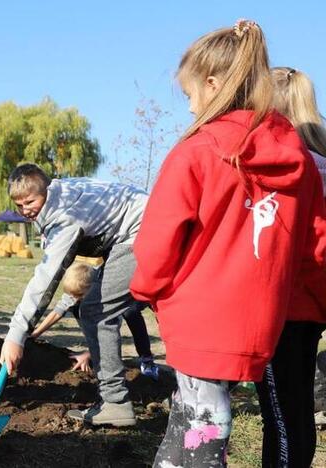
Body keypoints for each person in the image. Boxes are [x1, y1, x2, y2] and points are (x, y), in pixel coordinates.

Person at [130, 20, 326, 467]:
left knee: (201, 436)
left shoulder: (195, 152)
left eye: (190, 94)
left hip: (199, 322)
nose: (189, 107)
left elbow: (158, 242)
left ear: (214, 84)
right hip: (259, 325)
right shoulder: (302, 163)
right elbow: (317, 247)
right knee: (190, 428)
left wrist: (146, 291)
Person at [0, 163, 148, 427]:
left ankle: (115, 403)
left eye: (30, 202)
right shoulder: (60, 190)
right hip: (138, 227)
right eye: (19, 205)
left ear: (44, 190)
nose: (25, 210)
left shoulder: (66, 216)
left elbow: (45, 280)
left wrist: (16, 334)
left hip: (144, 231)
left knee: (96, 311)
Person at [251, 66, 326, 468]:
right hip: (313, 305)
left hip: (281, 304)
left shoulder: (285, 166)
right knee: (297, 411)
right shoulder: (321, 160)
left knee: (277, 416)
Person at [30, 262, 160, 380]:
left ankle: (147, 360)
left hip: (137, 290)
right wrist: (35, 334)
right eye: (73, 295)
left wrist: (89, 353)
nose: (75, 298)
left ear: (92, 288)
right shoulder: (79, 285)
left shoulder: (106, 290)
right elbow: (57, 312)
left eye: (79, 296)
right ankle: (95, 348)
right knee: (77, 308)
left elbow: (111, 330)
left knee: (131, 313)